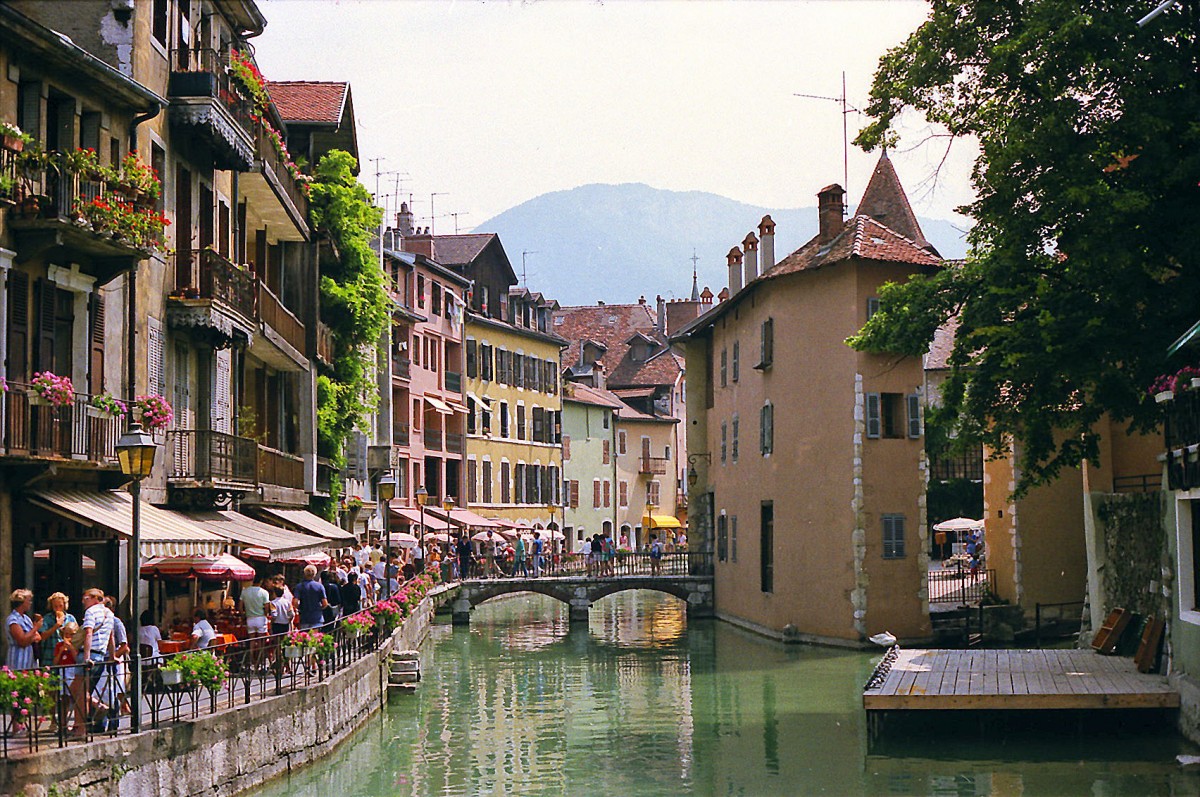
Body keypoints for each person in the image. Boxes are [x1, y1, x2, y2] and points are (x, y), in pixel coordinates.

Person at [71, 588, 112, 738]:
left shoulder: (91, 611)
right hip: (100, 655)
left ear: (95, 598)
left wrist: (86, 657)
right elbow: (111, 638)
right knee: (78, 689)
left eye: (85, 598)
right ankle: (97, 706)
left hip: (89, 655)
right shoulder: (109, 614)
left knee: (79, 691)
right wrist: (111, 657)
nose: (83, 601)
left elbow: (88, 633)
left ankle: (81, 729)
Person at [5, 589, 42, 671]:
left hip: (30, 659)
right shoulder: (13, 619)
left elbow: (38, 637)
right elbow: (22, 641)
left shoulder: (27, 619)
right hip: (17, 659)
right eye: (29, 600)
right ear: (22, 602)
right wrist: (36, 627)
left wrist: (29, 637)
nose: (30, 603)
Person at [38, 592, 74, 667]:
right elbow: (42, 636)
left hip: (66, 657)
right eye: (55, 606)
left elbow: (76, 636)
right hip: (50, 656)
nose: (58, 609)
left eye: (60, 606)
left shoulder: (70, 618)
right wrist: (56, 626)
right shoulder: (47, 619)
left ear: (64, 605)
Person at [293, 565, 328, 631]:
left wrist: (300, 608)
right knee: (315, 638)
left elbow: (295, 602)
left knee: (305, 638)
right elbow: (325, 603)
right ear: (314, 574)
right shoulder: (320, 586)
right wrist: (319, 608)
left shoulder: (299, 586)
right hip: (317, 617)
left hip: (304, 616)